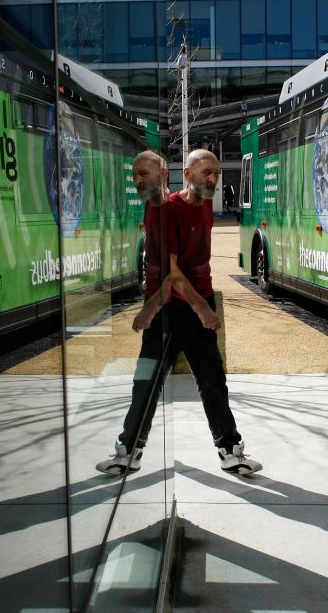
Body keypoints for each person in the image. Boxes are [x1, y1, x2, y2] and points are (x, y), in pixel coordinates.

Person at [96, 148, 262, 476]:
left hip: (198, 306)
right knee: (146, 382)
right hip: (169, 310)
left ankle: (230, 450)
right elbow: (171, 271)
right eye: (206, 173)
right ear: (187, 175)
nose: (213, 178)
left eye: (215, 172)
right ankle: (128, 451)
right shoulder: (168, 210)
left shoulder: (204, 210)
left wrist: (204, 305)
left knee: (213, 381)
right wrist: (203, 310)